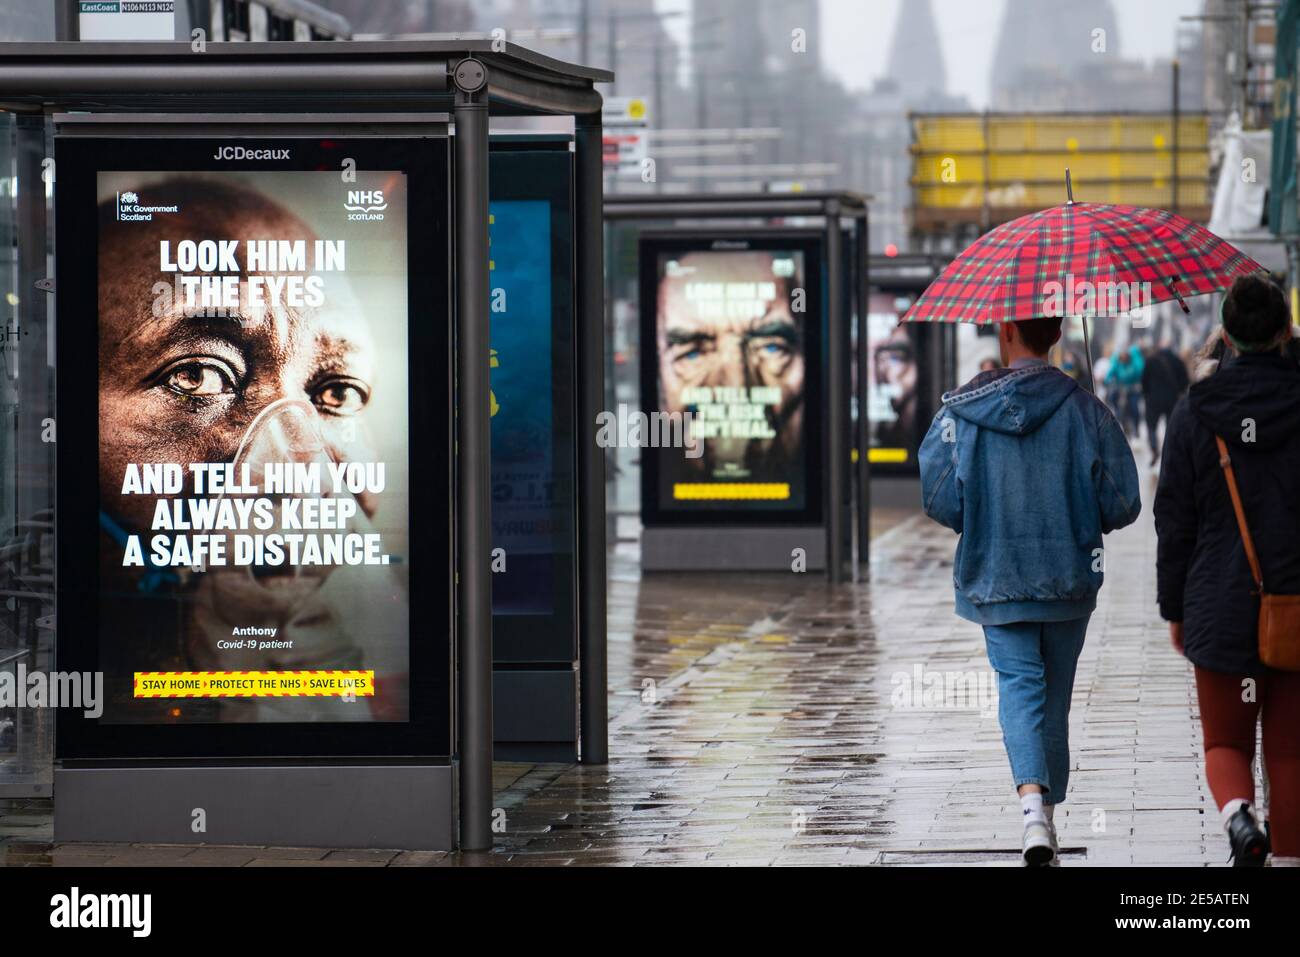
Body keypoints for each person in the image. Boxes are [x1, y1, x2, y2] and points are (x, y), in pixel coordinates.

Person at [920, 316, 1141, 866]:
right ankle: (1045, 812)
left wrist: (981, 512)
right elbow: (1124, 502)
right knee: (1055, 698)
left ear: (1007, 329)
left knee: (1020, 689)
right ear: (1059, 332)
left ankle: (1033, 811)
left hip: (997, 577)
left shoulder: (962, 412)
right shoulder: (1087, 409)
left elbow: (942, 497)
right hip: (1067, 577)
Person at [1155, 273, 1300, 866]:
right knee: (1291, 756)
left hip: (1218, 606)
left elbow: (1174, 521)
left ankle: (1239, 818)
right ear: (1287, 331)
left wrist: (1174, 609)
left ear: (1227, 335)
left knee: (1225, 741)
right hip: (1295, 605)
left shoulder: (1194, 414)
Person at [1140, 342, 1190, 465]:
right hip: (1172, 399)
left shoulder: (1150, 361)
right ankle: (1168, 451)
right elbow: (1185, 380)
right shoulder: (1177, 361)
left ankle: (1154, 448)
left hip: (1153, 400)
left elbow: (1144, 380)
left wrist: (1146, 395)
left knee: (1151, 426)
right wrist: (1179, 391)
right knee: (1171, 426)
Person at [1104, 343, 1145, 438]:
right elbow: (1110, 373)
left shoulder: (1135, 360)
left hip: (1133, 388)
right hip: (1121, 388)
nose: (1123, 359)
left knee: (1134, 408)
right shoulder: (1116, 361)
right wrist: (1108, 380)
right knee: (1115, 401)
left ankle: (1136, 427)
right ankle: (1122, 423)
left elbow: (1140, 370)